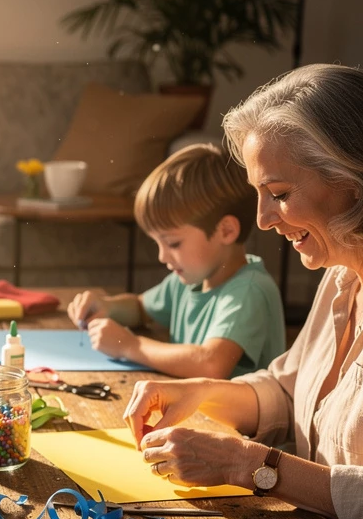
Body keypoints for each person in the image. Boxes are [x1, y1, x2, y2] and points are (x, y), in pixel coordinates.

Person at [125, 64, 363, 519]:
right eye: (259, 195)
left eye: (281, 194)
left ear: (354, 182)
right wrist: (201, 390)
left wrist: (250, 465)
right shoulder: (340, 276)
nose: (263, 220)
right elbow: (289, 390)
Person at [68, 144, 285, 378]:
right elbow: (141, 308)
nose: (162, 257)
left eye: (173, 244)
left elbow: (210, 364)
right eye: (157, 244)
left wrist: (130, 346)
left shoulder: (248, 291)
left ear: (226, 231)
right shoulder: (191, 279)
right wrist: (106, 307)